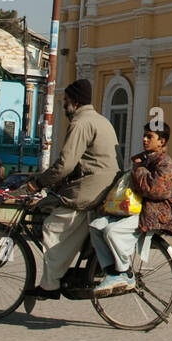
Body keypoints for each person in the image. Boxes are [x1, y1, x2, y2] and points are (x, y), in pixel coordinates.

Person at [19, 79, 119, 303]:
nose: (64, 106)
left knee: (52, 226)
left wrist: (39, 183)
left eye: (65, 101)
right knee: (71, 228)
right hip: (104, 188)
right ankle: (64, 273)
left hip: (89, 190)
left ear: (74, 101)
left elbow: (65, 164)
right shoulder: (102, 120)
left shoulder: (80, 122)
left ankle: (50, 284)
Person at [92, 122, 172, 297]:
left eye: (150, 136)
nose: (144, 139)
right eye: (145, 135)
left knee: (112, 231)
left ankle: (124, 274)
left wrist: (139, 169)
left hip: (157, 212)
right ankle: (111, 272)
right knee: (96, 226)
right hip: (138, 208)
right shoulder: (145, 159)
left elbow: (155, 190)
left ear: (161, 141)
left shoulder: (165, 162)